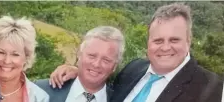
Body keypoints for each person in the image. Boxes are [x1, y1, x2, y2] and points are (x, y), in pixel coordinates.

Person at [49, 3, 223, 102]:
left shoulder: (213, 89)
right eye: (158, 40)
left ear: (189, 40)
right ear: (148, 42)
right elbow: (101, 81)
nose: (165, 47)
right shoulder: (134, 69)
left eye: (174, 40)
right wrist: (77, 71)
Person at [35, 26, 125, 102]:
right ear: (79, 55)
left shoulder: (121, 100)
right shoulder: (40, 91)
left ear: (114, 66)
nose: (96, 64)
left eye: (106, 60)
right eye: (92, 56)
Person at [0, 16, 49, 102]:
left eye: (15, 54)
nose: (7, 61)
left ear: (26, 58)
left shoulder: (39, 98)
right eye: (1, 52)